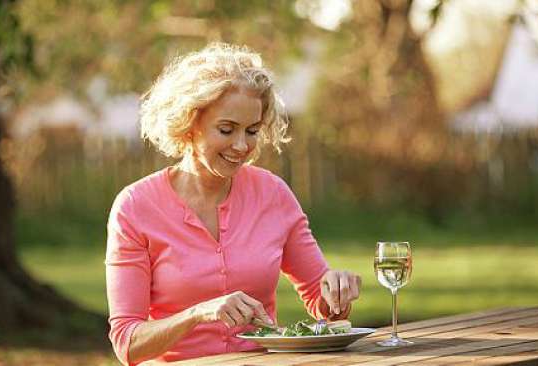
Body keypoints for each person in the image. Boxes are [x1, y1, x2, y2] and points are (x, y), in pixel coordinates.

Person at [105, 43, 362, 365]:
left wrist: (336, 293)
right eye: (226, 130)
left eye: (252, 131)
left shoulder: (272, 194)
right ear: (189, 123)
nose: (242, 145)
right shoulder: (135, 206)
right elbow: (128, 343)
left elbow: (320, 302)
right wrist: (198, 313)